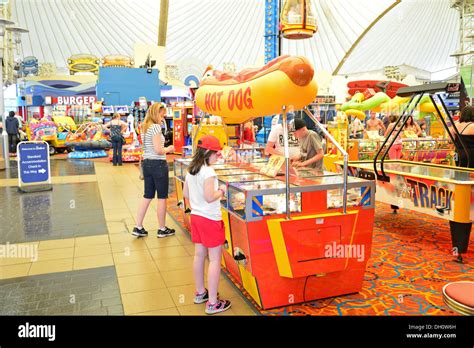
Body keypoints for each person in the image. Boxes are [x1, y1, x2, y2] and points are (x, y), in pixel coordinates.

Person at [183, 135, 232, 315]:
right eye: (216, 153)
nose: (218, 156)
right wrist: (222, 190)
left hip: (196, 217)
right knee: (214, 260)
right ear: (208, 153)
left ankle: (200, 292)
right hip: (210, 219)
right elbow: (210, 196)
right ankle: (212, 303)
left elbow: (186, 193)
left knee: (198, 255)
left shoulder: (192, 169)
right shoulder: (209, 172)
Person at [133, 103, 175, 238]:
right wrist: (169, 149)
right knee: (162, 197)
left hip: (147, 164)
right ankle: (162, 229)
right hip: (158, 165)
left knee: (147, 195)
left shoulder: (145, 127)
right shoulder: (156, 127)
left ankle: (138, 226)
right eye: (162, 114)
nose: (163, 117)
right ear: (155, 113)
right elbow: (158, 150)